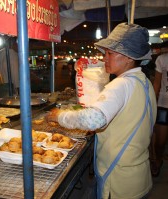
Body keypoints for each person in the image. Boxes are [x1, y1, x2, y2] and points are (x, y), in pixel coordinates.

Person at [45, 23, 157, 199]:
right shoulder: (144, 82)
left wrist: (59, 116)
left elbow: (94, 119)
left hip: (118, 182)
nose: (104, 58)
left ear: (128, 57)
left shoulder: (122, 84)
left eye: (110, 53)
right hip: (137, 176)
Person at [150, 41, 168, 177]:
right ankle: (158, 158)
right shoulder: (163, 59)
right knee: (160, 140)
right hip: (163, 104)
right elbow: (157, 82)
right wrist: (152, 102)